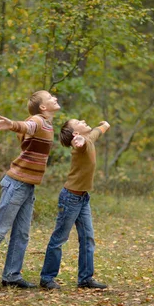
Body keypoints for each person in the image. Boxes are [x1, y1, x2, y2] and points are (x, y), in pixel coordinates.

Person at [0, 90, 60, 292]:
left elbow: (27, 130)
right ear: (43, 107)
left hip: (27, 185)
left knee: (22, 234)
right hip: (16, 183)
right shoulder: (38, 120)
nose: (55, 98)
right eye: (50, 97)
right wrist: (13, 125)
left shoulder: (48, 124)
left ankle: (11, 275)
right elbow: (28, 125)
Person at [39, 119, 110, 290]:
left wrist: (105, 125)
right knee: (59, 238)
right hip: (70, 198)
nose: (84, 120)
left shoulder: (89, 138)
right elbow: (82, 143)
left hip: (83, 198)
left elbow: (97, 131)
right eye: (78, 122)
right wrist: (79, 141)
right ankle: (47, 278)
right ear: (76, 134)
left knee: (88, 238)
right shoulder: (83, 143)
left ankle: (85, 278)